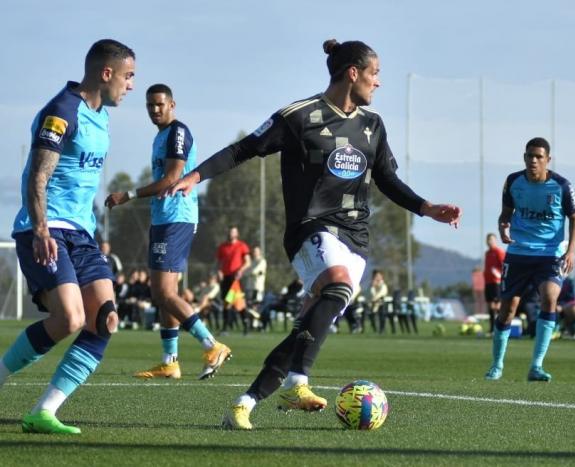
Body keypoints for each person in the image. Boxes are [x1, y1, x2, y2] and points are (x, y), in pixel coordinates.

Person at [163, 38, 461, 430]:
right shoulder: (299, 116)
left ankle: (246, 402)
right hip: (312, 229)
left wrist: (426, 208)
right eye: (375, 74)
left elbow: (387, 179)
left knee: (310, 325)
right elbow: (244, 149)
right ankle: (297, 383)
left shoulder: (372, 125)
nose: (379, 82)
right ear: (352, 73)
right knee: (336, 290)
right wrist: (195, 176)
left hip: (356, 239)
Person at [0, 40, 135, 434]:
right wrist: (41, 228)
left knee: (106, 320)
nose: (130, 86)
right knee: (70, 318)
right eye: (128, 77)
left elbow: (82, 182)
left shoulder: (101, 116)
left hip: (82, 234)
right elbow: (38, 175)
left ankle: (44, 411)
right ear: (105, 73)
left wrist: (94, 227)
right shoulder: (62, 112)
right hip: (45, 229)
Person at [105, 84, 231, 380]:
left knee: (161, 292)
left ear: (172, 104)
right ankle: (170, 362)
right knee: (164, 293)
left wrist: (130, 194)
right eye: (150, 105)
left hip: (177, 218)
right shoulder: (160, 136)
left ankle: (212, 345)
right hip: (164, 219)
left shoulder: (177, 132)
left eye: (160, 104)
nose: (154, 110)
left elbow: (174, 177)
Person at [485, 136, 575, 382]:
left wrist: (570, 251)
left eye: (539, 156)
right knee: (507, 311)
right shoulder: (513, 182)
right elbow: (505, 214)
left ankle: (536, 366)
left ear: (548, 160)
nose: (533, 160)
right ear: (524, 157)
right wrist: (503, 226)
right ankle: (496, 366)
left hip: (550, 254)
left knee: (549, 299)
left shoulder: (561, 186)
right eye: (530, 156)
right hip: (518, 254)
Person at [216, 227, 251, 333]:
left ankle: (246, 326)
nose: (231, 233)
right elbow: (218, 263)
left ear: (237, 233)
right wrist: (219, 271)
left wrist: (241, 270)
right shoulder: (222, 247)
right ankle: (225, 328)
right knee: (226, 302)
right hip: (226, 278)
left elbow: (248, 262)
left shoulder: (242, 245)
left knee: (239, 302)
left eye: (233, 232)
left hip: (236, 278)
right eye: (229, 231)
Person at [483, 233, 505, 335]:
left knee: (497, 306)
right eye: (488, 240)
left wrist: (498, 274)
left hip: (497, 282)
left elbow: (504, 266)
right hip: (488, 282)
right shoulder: (487, 253)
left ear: (495, 240)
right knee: (490, 306)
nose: (489, 242)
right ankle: (492, 329)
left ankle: (501, 327)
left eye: (491, 239)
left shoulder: (499, 252)